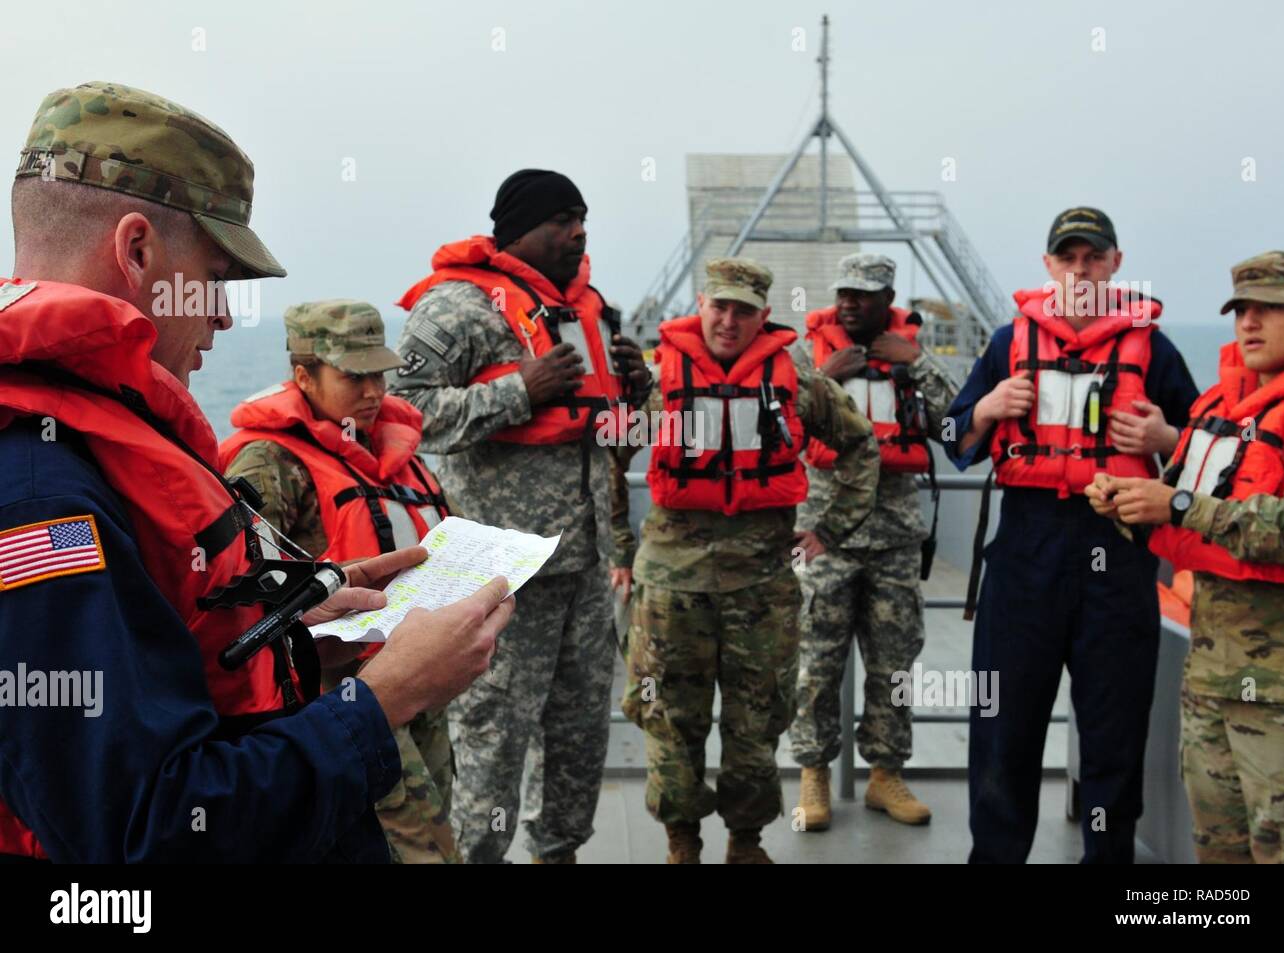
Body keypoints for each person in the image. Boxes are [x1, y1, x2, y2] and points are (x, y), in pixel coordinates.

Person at [0, 82, 511, 862]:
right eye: (216, 275)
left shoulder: (80, 446)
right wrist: (382, 702)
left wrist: (297, 638)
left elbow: (159, 678)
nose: (226, 317)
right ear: (137, 251)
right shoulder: (42, 496)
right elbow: (142, 837)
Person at [390, 169, 651, 863]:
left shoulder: (592, 313)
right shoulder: (458, 307)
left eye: (583, 219)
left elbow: (614, 440)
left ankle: (557, 850)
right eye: (563, 218)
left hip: (586, 570)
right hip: (503, 580)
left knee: (579, 733)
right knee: (493, 738)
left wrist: (637, 395)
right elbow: (400, 416)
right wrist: (516, 391)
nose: (578, 232)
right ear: (520, 228)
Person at [945, 207, 1200, 863]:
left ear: (1116, 263)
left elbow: (1208, 456)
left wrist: (1163, 439)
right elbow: (951, 439)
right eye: (1068, 257)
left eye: (1094, 257)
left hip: (1117, 558)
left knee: (1114, 734)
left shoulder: (1157, 351)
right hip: (1023, 560)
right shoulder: (1007, 344)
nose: (1080, 270)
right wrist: (985, 407)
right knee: (1003, 728)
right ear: (1049, 267)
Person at [613, 257, 879, 863]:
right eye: (719, 308)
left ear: (763, 317)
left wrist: (828, 532)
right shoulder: (660, 379)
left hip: (762, 586)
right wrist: (621, 551)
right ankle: (681, 840)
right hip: (670, 586)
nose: (728, 322)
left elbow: (861, 445)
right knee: (668, 720)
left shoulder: (797, 379)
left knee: (757, 720)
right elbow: (608, 452)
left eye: (743, 311)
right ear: (701, 306)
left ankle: (746, 840)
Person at [221, 300, 459, 863]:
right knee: (420, 846)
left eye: (380, 373)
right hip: (344, 698)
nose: (375, 390)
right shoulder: (268, 463)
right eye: (355, 375)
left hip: (418, 679)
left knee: (433, 819)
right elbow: (237, 597)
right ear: (303, 375)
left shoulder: (388, 451)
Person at [1086, 251, 1284, 864]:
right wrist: (1127, 505)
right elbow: (1178, 521)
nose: (1250, 323)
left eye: (1272, 308)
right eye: (1241, 310)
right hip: (1209, 679)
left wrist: (1176, 503)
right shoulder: (1220, 409)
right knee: (1218, 850)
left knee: (1282, 847)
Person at [790, 254, 958, 829]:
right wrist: (826, 378)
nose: (849, 304)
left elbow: (957, 425)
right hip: (823, 534)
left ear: (888, 299)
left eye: (863, 295)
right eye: (843, 294)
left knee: (895, 665)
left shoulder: (909, 358)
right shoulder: (807, 355)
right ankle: (813, 776)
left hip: (894, 538)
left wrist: (919, 364)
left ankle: (886, 775)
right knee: (815, 663)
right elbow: (776, 423)